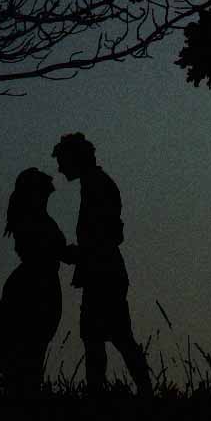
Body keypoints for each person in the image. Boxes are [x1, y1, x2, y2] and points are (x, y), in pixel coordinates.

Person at [53, 132, 153, 394]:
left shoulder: (95, 185)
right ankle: (141, 390)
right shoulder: (95, 183)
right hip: (105, 272)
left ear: (75, 159)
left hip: (102, 274)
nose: (59, 168)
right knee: (110, 337)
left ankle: (122, 392)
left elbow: (104, 236)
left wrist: (77, 254)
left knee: (103, 339)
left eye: (63, 160)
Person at [0, 167, 69, 385]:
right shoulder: (35, 222)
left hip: (39, 283)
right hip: (38, 285)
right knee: (28, 345)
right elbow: (52, 250)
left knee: (26, 344)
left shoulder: (31, 219)